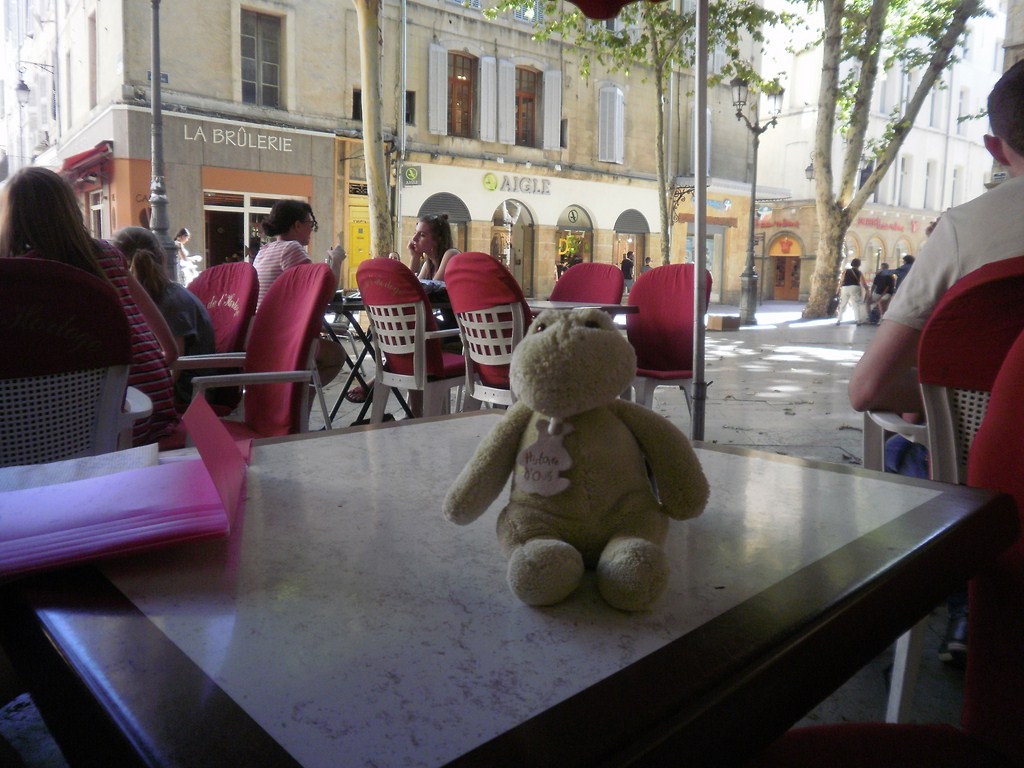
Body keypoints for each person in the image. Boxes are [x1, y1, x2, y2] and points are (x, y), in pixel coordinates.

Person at [849, 60, 1024, 665]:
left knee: (910, 451)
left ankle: (965, 605)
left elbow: (867, 389)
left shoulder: (965, 228)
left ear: (995, 148)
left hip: (995, 482)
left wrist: (940, 393)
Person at [0, 167, 178, 445]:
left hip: (97, 433)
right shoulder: (110, 255)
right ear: (71, 209)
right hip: (152, 411)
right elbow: (170, 348)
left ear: (11, 218)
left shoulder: (22, 277)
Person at [114, 226, 216, 407]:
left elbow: (174, 368)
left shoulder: (171, 302)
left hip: (186, 393)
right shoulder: (159, 296)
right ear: (162, 256)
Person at [252, 199, 347, 389]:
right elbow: (323, 296)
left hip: (259, 337)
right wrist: (336, 262)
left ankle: (292, 396)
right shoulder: (291, 249)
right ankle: (296, 400)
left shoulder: (264, 251)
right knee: (337, 356)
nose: (312, 229)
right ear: (297, 225)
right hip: (282, 340)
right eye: (310, 224)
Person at [406, 213, 460, 283]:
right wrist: (415, 257)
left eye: (422, 235)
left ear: (437, 240)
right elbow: (407, 286)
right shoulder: (428, 265)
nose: (414, 238)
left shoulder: (451, 254)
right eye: (415, 233)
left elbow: (433, 287)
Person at [834, 258, 869, 325]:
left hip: (845, 288)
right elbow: (863, 282)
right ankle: (857, 320)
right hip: (855, 287)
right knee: (856, 304)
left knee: (843, 304)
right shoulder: (859, 272)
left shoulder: (846, 271)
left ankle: (839, 320)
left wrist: (838, 289)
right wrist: (867, 289)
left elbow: (841, 281)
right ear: (859, 264)